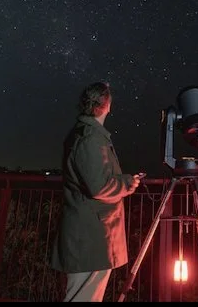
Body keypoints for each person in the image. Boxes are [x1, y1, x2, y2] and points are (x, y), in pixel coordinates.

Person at [48, 82, 142, 302]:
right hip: (90, 237)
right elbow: (99, 186)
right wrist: (127, 183)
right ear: (107, 104)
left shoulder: (86, 134)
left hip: (90, 234)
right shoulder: (90, 138)